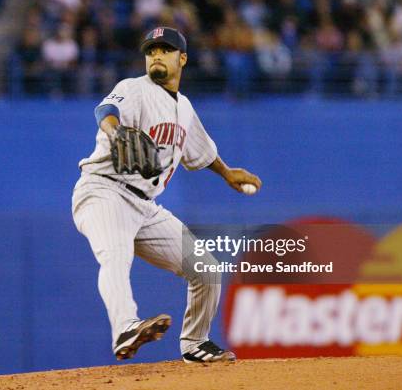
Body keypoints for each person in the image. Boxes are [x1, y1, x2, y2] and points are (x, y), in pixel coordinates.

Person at [71, 27, 262, 363]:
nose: (156, 55)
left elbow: (200, 151)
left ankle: (195, 343)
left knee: (205, 267)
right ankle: (126, 327)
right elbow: (105, 112)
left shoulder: (184, 108)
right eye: (151, 50)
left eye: (165, 49)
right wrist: (115, 131)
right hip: (103, 191)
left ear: (182, 58)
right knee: (115, 256)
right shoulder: (134, 89)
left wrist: (227, 172)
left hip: (144, 207)